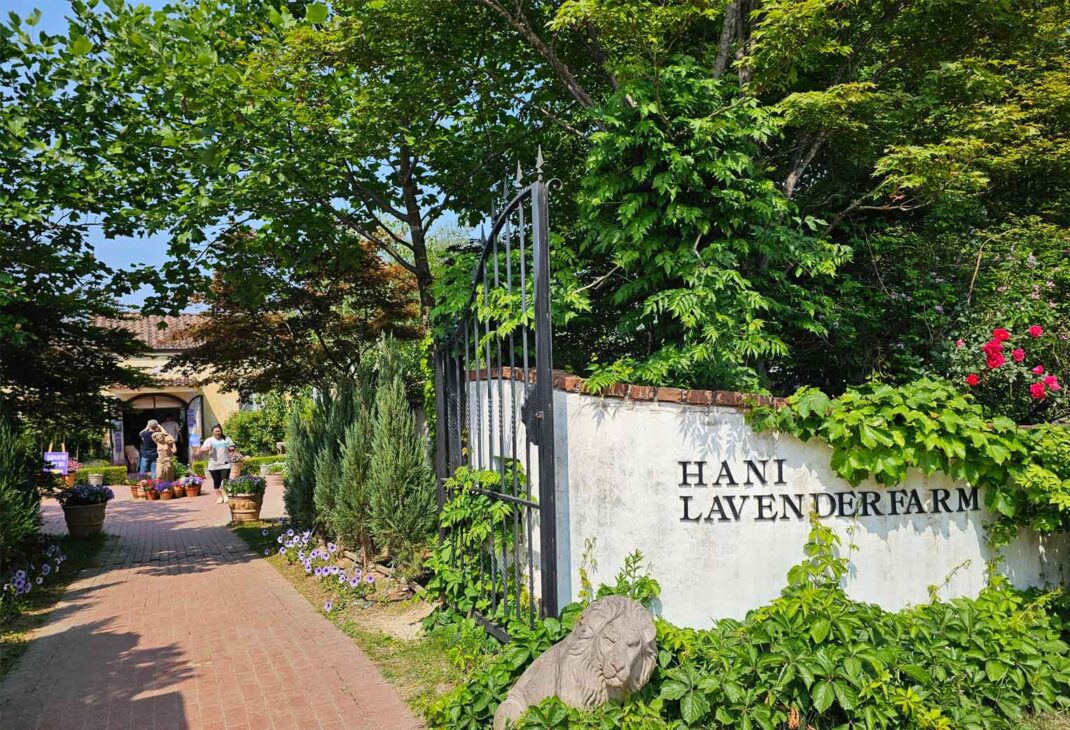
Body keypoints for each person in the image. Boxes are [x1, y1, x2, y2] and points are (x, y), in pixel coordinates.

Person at [199, 424, 234, 504]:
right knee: (216, 481)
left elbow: (232, 447)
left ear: (221, 431)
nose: (217, 433)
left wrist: (231, 449)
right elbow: (202, 450)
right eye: (216, 431)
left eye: (219, 431)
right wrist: (208, 448)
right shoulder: (209, 440)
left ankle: (225, 496)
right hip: (213, 465)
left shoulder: (226, 439)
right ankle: (219, 497)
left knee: (224, 480)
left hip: (225, 464)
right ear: (212, 432)